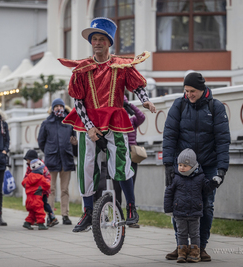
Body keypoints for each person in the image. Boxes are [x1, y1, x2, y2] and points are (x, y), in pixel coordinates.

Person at [58, 17, 156, 232]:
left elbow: (136, 86)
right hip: (89, 123)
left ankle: (131, 207)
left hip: (115, 119)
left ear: (109, 42)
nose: (97, 43)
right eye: (94, 39)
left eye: (102, 39)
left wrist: (145, 100)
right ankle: (88, 211)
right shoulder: (82, 69)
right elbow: (78, 101)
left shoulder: (122, 66)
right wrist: (89, 126)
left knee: (121, 161)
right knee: (86, 165)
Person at [163, 72, 231, 261]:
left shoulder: (215, 107)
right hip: (182, 167)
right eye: (186, 91)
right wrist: (168, 165)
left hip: (208, 165)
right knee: (179, 206)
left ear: (202, 89)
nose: (189, 95)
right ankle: (181, 247)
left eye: (192, 91)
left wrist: (221, 169)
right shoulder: (179, 105)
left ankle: (200, 247)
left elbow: (223, 140)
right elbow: (169, 135)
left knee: (206, 206)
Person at [164, 149, 218, 263]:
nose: (182, 168)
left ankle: (194, 252)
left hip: (195, 212)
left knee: (195, 234)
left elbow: (207, 189)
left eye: (185, 165)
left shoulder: (200, 177)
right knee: (181, 233)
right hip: (179, 212)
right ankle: (182, 252)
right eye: (180, 165)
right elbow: (168, 193)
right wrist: (168, 209)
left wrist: (213, 183)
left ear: (193, 166)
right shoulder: (175, 177)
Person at [38, 98, 75, 225]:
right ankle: (51, 215)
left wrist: (74, 145)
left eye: (61, 106)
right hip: (52, 160)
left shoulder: (70, 122)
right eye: (56, 106)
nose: (59, 108)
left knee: (65, 189)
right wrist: (49, 151)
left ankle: (65, 215)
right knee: (51, 189)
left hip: (66, 159)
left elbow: (74, 141)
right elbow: (41, 142)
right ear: (52, 108)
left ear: (64, 107)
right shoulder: (46, 123)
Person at [111, 95, 146, 228]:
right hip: (117, 156)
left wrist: (129, 105)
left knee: (130, 187)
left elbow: (142, 117)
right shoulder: (114, 120)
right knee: (116, 188)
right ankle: (118, 217)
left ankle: (131, 217)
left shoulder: (131, 120)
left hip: (131, 156)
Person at [23, 149, 59, 227]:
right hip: (34, 192)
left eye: (28, 160)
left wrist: (41, 186)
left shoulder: (41, 166)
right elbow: (26, 178)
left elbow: (47, 177)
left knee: (44, 204)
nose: (27, 162)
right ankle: (35, 220)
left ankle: (52, 217)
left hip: (42, 191)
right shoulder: (29, 167)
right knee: (36, 205)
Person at [21, 159, 51, 230]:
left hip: (29, 199)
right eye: (42, 169)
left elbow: (23, 183)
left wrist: (28, 187)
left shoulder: (28, 177)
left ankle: (27, 223)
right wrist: (42, 188)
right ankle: (41, 224)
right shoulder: (41, 178)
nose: (43, 170)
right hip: (37, 199)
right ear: (40, 170)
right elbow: (47, 185)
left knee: (32, 212)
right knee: (40, 211)